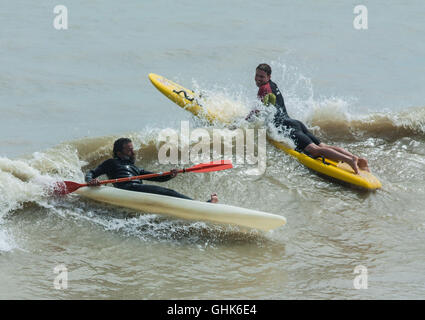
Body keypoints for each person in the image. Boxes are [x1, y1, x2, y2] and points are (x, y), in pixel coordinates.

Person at [248, 63, 369, 174]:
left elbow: (257, 111)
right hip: (295, 123)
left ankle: (349, 160)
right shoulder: (273, 85)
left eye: (262, 76)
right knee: (323, 146)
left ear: (269, 77)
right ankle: (356, 159)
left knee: (315, 150)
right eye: (257, 75)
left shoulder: (264, 89)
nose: (258, 78)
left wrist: (244, 122)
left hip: (287, 127)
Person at [85, 138, 218, 202]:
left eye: (133, 148)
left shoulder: (136, 168)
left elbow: (156, 177)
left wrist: (170, 175)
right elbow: (91, 172)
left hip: (136, 189)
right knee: (168, 192)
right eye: (129, 149)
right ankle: (202, 205)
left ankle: (199, 205)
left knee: (168, 192)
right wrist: (91, 181)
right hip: (128, 188)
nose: (133, 151)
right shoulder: (111, 162)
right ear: (119, 153)